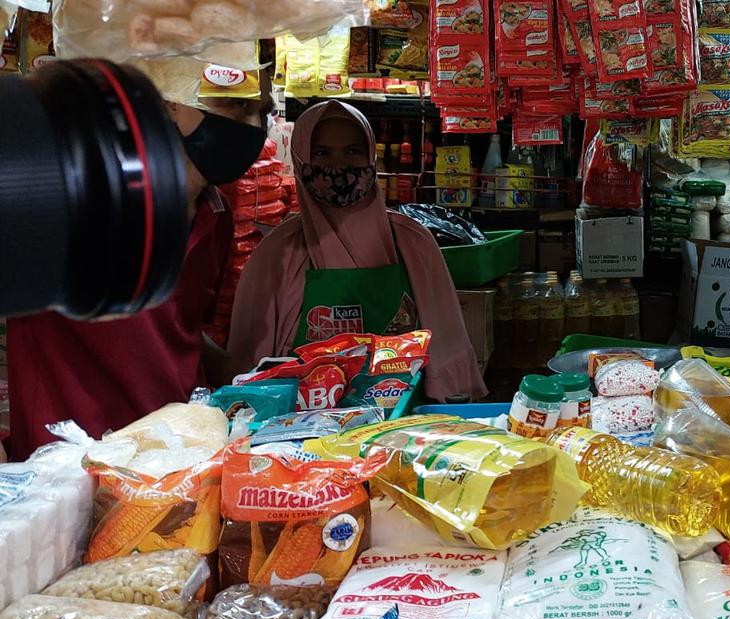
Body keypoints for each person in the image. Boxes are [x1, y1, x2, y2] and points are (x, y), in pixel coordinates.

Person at [3, 90, 270, 460]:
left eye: (263, 112)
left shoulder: (217, 215)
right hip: (67, 472)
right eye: (239, 105)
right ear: (172, 102)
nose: (255, 127)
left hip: (176, 466)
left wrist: (242, 373)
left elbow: (180, 329)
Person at [227, 100, 486, 402]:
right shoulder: (280, 251)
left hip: (402, 426)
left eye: (352, 151)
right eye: (322, 153)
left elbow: (447, 345)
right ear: (300, 160)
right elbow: (250, 372)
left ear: (371, 157)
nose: (339, 167)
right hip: (303, 432)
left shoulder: (410, 240)